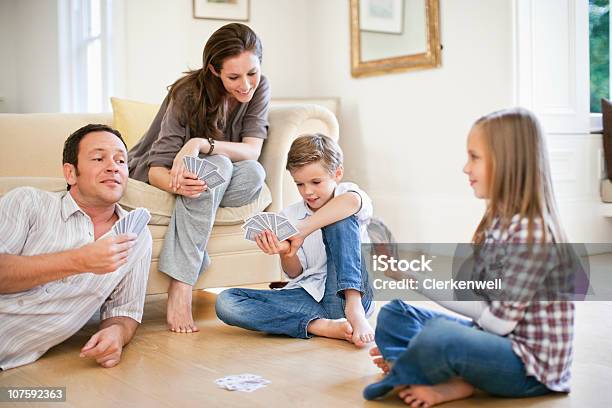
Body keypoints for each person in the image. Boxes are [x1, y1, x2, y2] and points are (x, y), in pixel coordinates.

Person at [364, 108, 574, 406]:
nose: (465, 168)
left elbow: (498, 324)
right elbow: (478, 300)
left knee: (442, 336)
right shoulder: (499, 222)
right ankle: (426, 369)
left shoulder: (531, 234)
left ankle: (419, 370)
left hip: (529, 370)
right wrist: (405, 275)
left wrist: (435, 339)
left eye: (474, 157)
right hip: (493, 340)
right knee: (395, 314)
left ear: (507, 164)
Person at [128, 23, 271, 333]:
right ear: (214, 70)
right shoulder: (188, 92)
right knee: (218, 166)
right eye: (234, 77)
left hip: (219, 174)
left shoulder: (260, 87)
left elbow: (252, 151)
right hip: (161, 172)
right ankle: (181, 284)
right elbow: (154, 169)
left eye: (252, 73)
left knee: (253, 174)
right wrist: (181, 183)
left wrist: (198, 144)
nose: (246, 85)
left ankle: (193, 240)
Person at [0, 124, 152, 370]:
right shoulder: (27, 202)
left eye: (121, 160)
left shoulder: (136, 235)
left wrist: (117, 334)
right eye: (98, 158)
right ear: (70, 173)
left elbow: (125, 309)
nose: (113, 166)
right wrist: (78, 261)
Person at [215, 133, 375, 347]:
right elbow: (295, 274)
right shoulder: (289, 216)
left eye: (316, 182)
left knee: (339, 219)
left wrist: (302, 230)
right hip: (307, 297)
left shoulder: (346, 194)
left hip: (349, 296)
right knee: (226, 302)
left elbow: (352, 202)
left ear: (337, 174)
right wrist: (285, 251)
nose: (308, 191)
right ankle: (318, 326)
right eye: (300, 184)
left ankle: (353, 310)